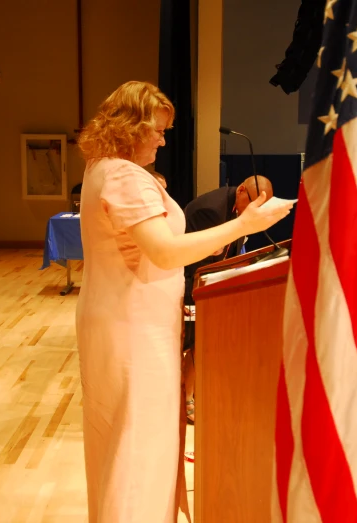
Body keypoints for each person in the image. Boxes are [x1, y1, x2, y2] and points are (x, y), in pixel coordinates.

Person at [74, 80, 293, 523]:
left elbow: (160, 244)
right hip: (133, 328)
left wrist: (208, 243)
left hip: (122, 319)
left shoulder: (102, 167)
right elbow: (163, 252)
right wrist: (241, 225)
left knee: (123, 444)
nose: (162, 138)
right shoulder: (123, 176)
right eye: (156, 129)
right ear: (129, 126)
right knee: (139, 451)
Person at [181, 175, 274, 424]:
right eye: (253, 203)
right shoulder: (210, 211)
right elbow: (198, 261)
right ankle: (185, 397)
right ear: (241, 190)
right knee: (193, 342)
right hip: (190, 283)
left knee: (203, 342)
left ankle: (194, 394)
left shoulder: (237, 207)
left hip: (212, 280)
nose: (255, 211)